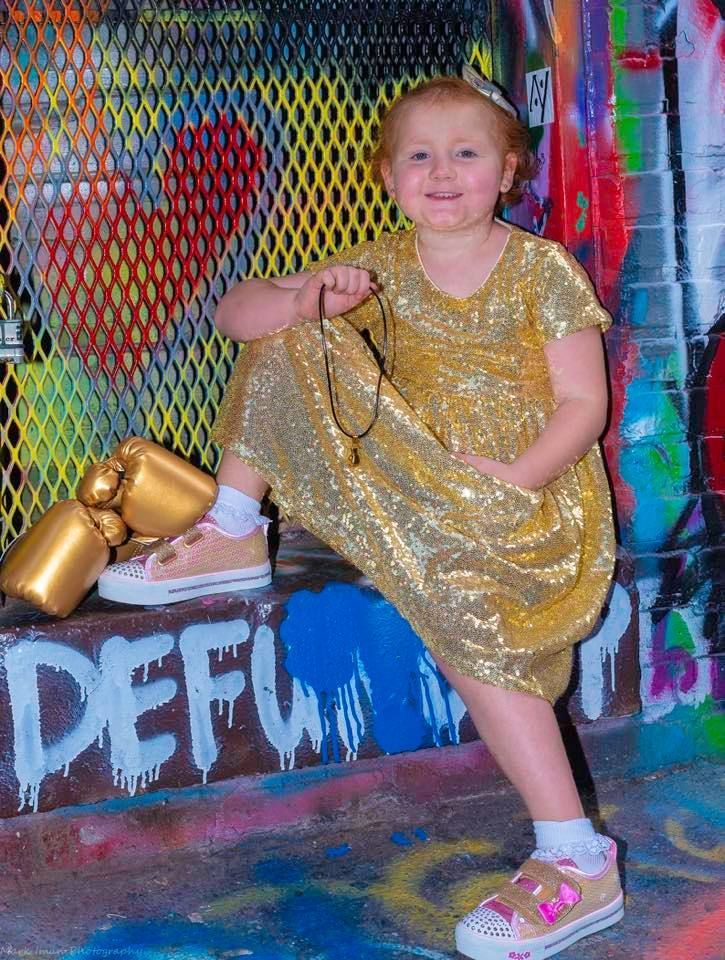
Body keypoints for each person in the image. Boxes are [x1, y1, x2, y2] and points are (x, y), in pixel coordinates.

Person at [98, 68, 623, 959]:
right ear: (387, 176)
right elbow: (235, 313)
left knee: (466, 613)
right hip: (406, 477)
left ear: (507, 171)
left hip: (517, 497)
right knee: (288, 326)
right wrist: (310, 299)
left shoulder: (540, 268)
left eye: (465, 152)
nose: (442, 170)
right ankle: (232, 525)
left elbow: (583, 404)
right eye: (418, 155)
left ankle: (577, 860)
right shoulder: (376, 265)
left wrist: (514, 475)